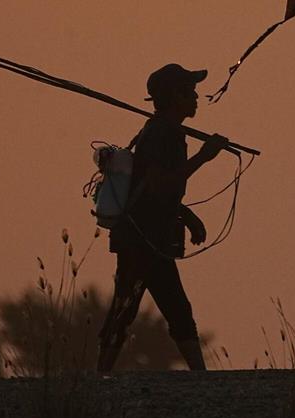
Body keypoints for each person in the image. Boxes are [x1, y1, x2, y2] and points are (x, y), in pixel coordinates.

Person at [97, 63, 228, 372]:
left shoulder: (164, 131)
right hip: (142, 238)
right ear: (174, 96)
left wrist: (187, 216)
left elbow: (162, 191)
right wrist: (204, 157)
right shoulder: (161, 134)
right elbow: (158, 183)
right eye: (190, 92)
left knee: (175, 309)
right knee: (126, 307)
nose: (196, 98)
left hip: (154, 238)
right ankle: (100, 375)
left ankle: (200, 375)